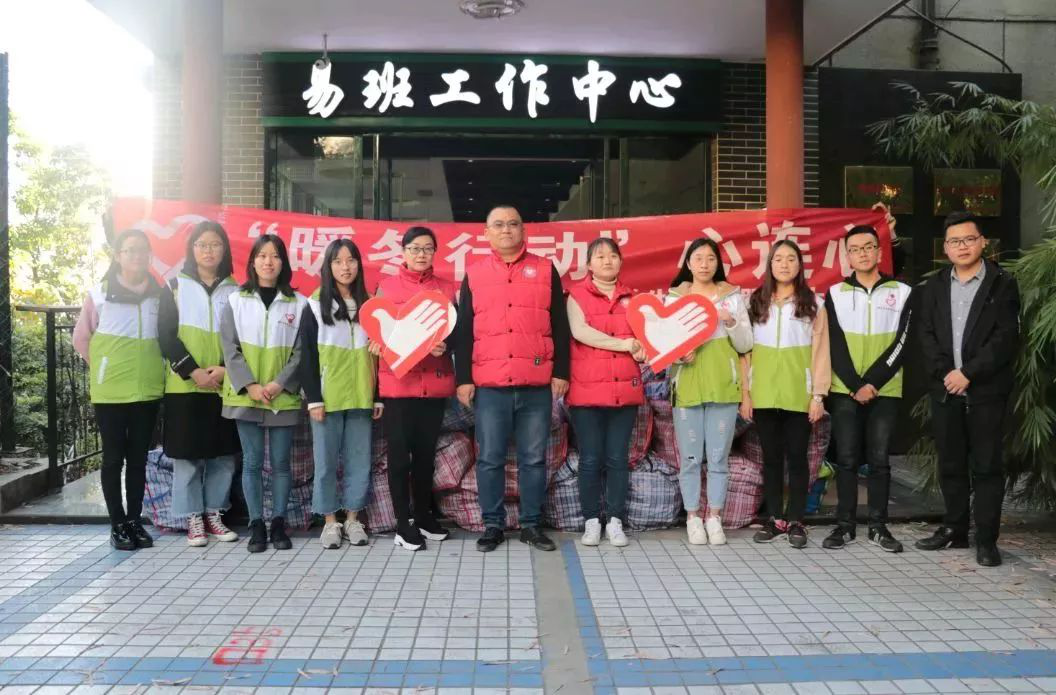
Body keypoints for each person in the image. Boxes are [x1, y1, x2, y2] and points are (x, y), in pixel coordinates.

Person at [454, 204, 570, 553]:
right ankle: (493, 525)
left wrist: (561, 371)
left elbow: (559, 323)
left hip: (535, 384)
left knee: (534, 459)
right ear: (486, 232)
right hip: (490, 385)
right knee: (490, 458)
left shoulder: (545, 269)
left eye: (513, 224)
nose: (506, 230)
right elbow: (464, 329)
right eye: (499, 224)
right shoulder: (475, 274)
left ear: (524, 230)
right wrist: (464, 378)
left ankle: (531, 526)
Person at [914, 211, 1020, 567]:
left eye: (969, 239)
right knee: (951, 463)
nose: (962, 246)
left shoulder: (1002, 283)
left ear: (982, 242)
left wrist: (968, 373)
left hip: (987, 391)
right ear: (945, 248)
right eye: (955, 241)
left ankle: (986, 540)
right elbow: (926, 334)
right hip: (946, 389)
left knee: (987, 466)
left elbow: (1005, 338)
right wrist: (948, 374)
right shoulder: (934, 286)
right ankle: (955, 529)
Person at [822, 224, 913, 553]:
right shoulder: (835, 293)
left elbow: (903, 341)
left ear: (879, 251)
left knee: (879, 460)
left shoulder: (902, 292)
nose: (862, 253)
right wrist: (855, 384)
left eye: (868, 247)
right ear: (847, 256)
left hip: (884, 389)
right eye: (855, 249)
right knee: (846, 458)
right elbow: (833, 342)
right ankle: (844, 526)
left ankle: (878, 526)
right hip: (845, 390)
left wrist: (872, 382)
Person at [73, 228, 165, 551]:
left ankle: (134, 521)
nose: (137, 256)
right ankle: (117, 524)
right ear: (117, 255)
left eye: (143, 250)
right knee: (113, 458)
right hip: (110, 392)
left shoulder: (158, 293)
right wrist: (103, 367)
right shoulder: (99, 294)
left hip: (147, 390)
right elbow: (81, 338)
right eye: (130, 250)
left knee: (138, 459)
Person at [220, 234, 306, 553]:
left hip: (282, 396)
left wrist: (279, 384)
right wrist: (251, 385)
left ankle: (279, 522)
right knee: (253, 462)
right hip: (246, 396)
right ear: (253, 261)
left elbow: (302, 352)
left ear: (283, 263)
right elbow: (229, 347)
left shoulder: (300, 303)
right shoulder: (235, 300)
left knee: (281, 463)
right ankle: (256, 523)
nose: (268, 262)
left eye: (275, 256)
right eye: (262, 255)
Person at [158, 221, 242, 547]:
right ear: (192, 249)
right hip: (184, 387)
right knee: (187, 456)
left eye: (215, 244)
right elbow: (166, 336)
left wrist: (223, 370)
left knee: (223, 455)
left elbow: (242, 339)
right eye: (202, 244)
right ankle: (193, 518)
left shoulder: (236, 291)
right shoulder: (174, 286)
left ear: (225, 250)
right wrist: (193, 371)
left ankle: (214, 514)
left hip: (224, 385)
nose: (209, 251)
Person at [373, 227, 456, 552]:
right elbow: (377, 330)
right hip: (399, 385)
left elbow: (457, 331)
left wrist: (446, 345)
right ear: (403, 252)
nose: (421, 254)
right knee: (399, 457)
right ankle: (402, 522)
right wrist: (381, 345)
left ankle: (423, 515)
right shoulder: (387, 286)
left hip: (433, 384)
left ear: (435, 252)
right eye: (415, 248)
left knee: (425, 456)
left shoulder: (446, 288)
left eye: (427, 248)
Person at [666, 238, 753, 546]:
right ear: (688, 264)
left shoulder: (732, 297)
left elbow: (745, 343)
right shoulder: (674, 298)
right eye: (698, 258)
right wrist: (680, 355)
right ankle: (692, 517)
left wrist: (731, 322)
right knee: (690, 458)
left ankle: (714, 517)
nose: (704, 264)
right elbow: (663, 344)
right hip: (687, 385)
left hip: (723, 385)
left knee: (718, 457)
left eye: (710, 258)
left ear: (718, 263)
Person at [744, 240, 830, 549]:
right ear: (769, 265)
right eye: (778, 259)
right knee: (770, 458)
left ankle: (796, 520)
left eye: (790, 259)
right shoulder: (755, 301)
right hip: (763, 392)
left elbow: (821, 352)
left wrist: (818, 395)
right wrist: (746, 394)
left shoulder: (814, 303)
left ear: (799, 265)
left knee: (797, 457)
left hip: (799, 394)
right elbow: (745, 352)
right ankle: (774, 518)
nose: (784, 264)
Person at [566, 237, 647, 548]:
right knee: (590, 458)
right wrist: (625, 344)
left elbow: (645, 338)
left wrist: (643, 350)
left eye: (613, 256)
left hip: (624, 390)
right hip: (586, 391)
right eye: (600, 257)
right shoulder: (575, 295)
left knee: (617, 458)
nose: (607, 261)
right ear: (589, 264)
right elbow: (580, 332)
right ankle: (591, 521)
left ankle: (614, 520)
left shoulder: (634, 299)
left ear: (621, 262)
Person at [301, 239, 381, 550]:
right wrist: (314, 398)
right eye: (338, 261)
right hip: (328, 398)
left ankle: (353, 518)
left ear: (359, 265)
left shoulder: (370, 305)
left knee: (359, 461)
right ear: (328, 266)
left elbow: (379, 354)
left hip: (362, 396)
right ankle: (330, 522)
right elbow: (307, 356)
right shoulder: (314, 304)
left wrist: (377, 395)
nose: (345, 267)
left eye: (351, 260)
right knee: (325, 463)